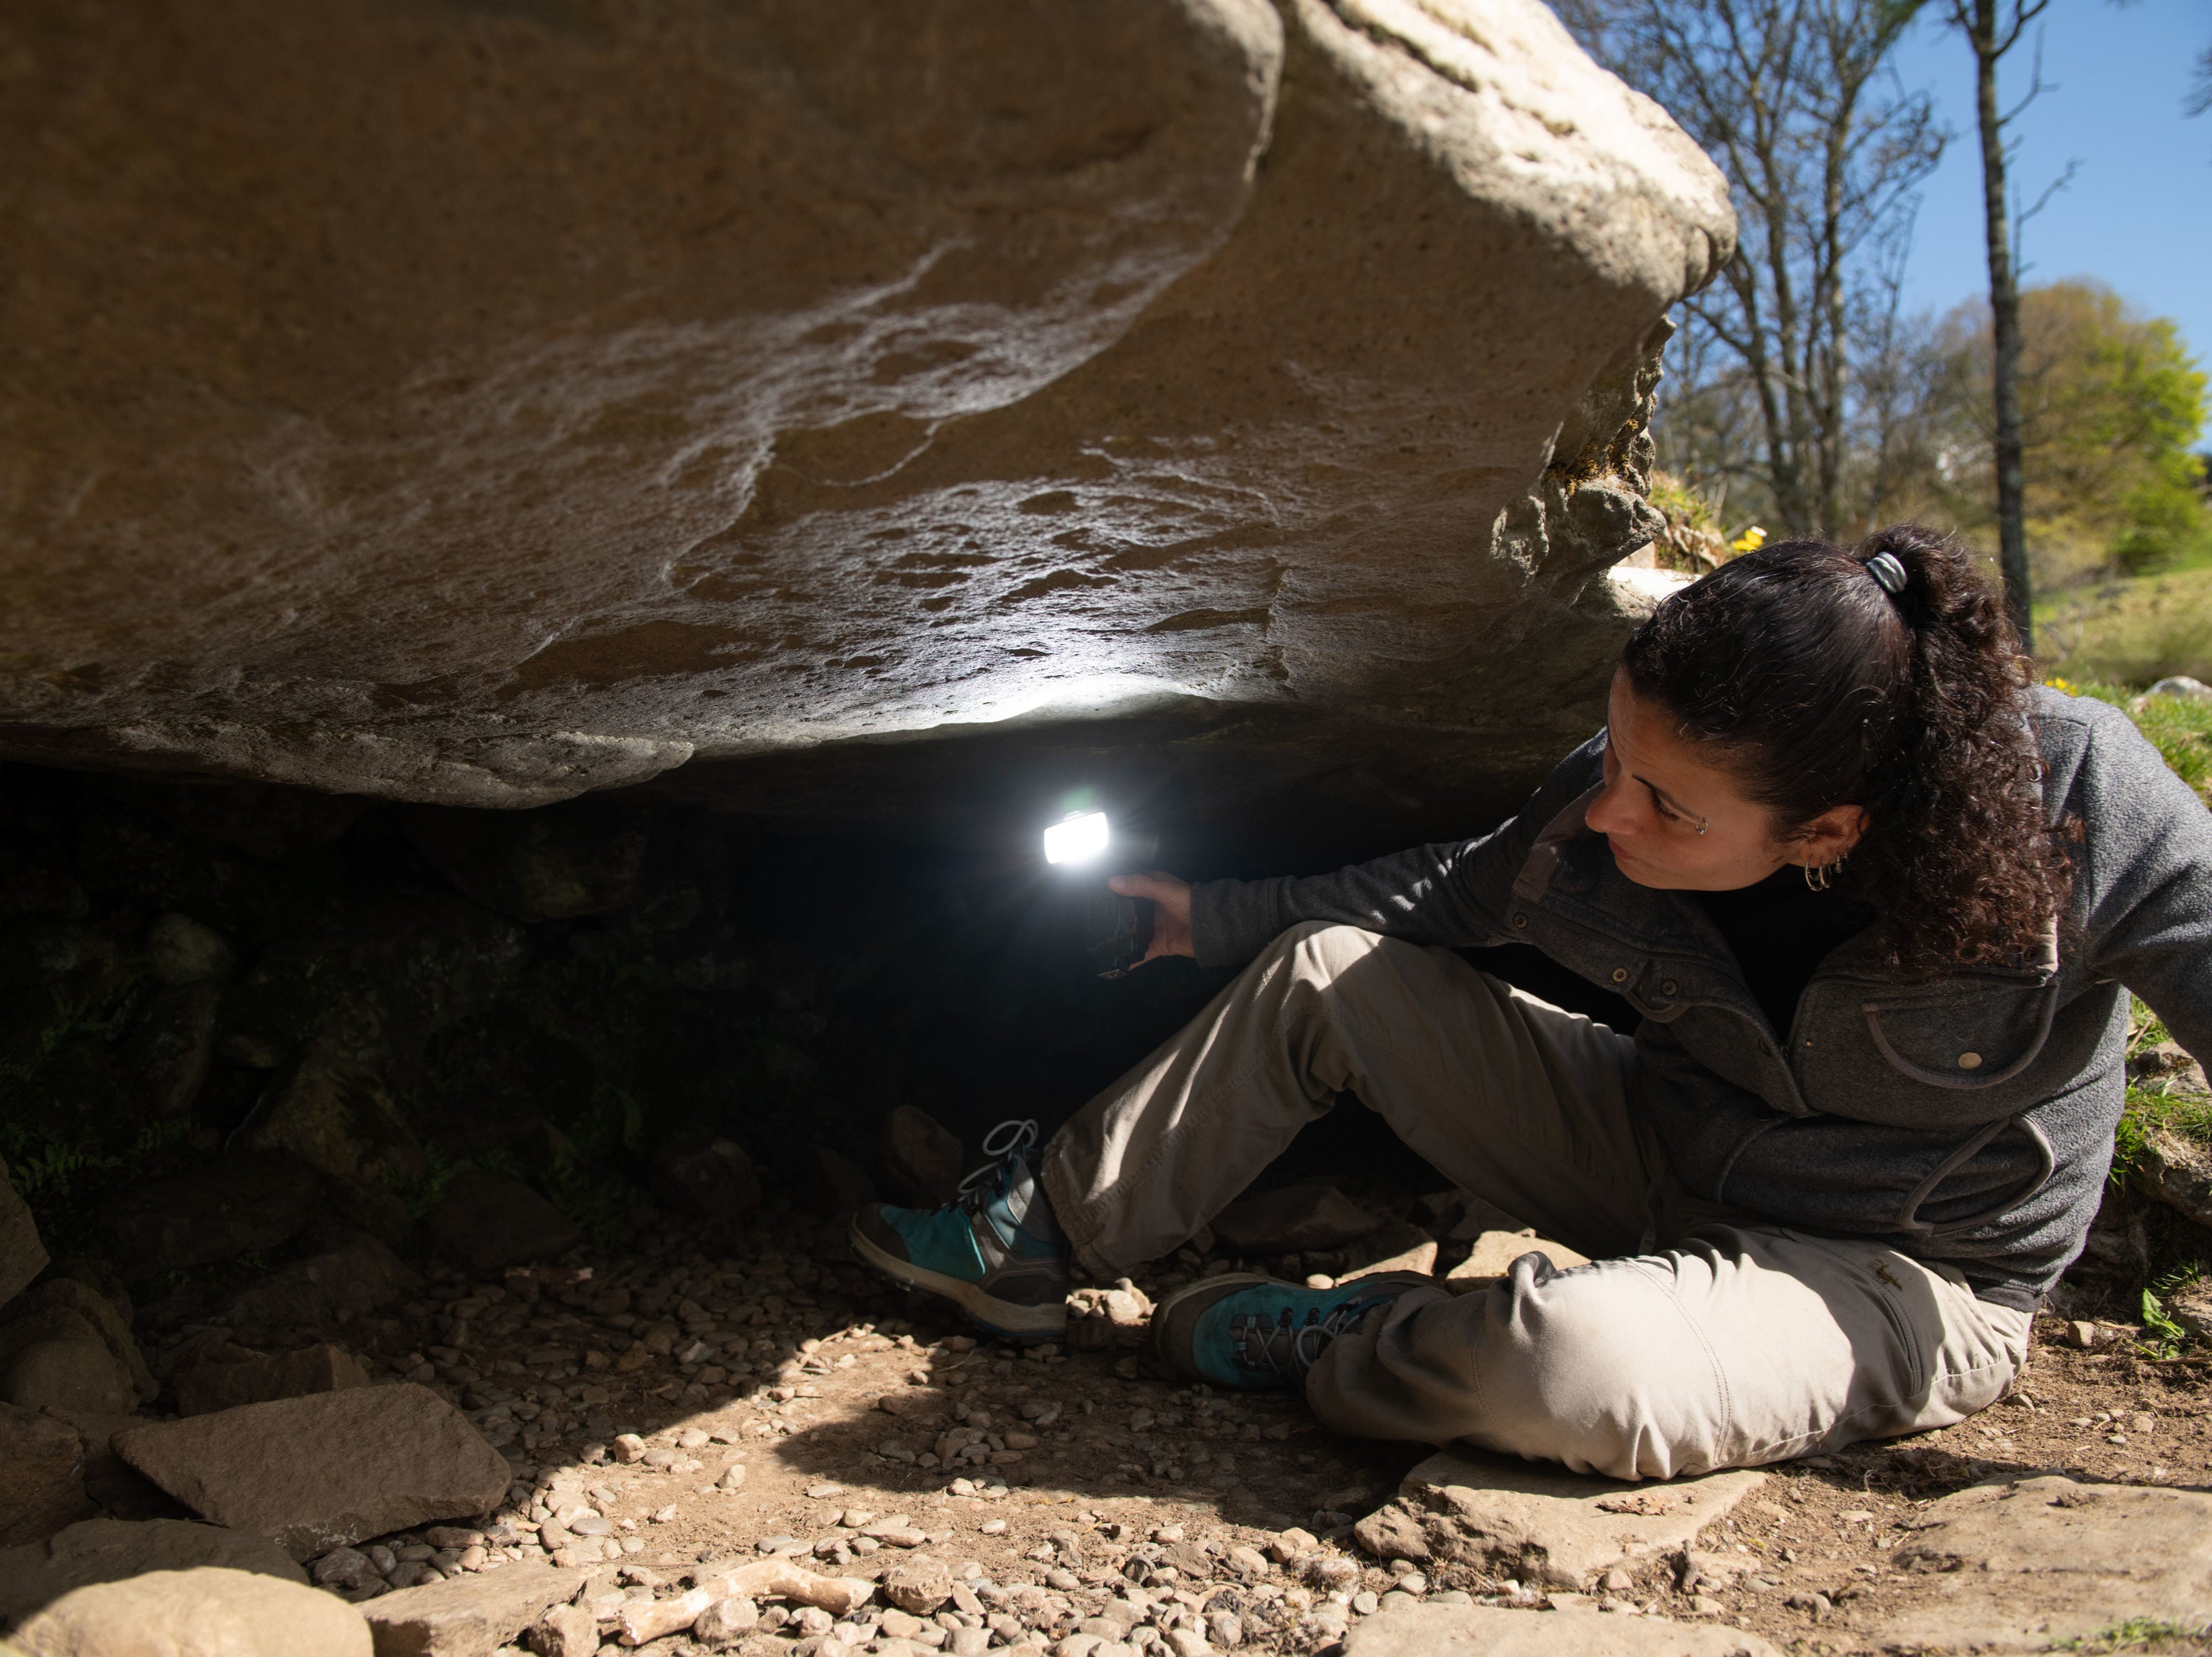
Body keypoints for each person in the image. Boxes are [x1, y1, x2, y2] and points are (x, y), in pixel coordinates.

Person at [850, 527, 2212, 1480]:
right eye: (1613, 751)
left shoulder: (2075, 801)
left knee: (1570, 1370)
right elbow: (1448, 892)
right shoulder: (1608, 796)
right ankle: (1042, 1236)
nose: (1605, 808)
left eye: (1666, 806)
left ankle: (1360, 1333)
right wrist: (1210, 915)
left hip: (1905, 1274)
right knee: (1329, 974)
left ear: (1823, 830)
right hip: (1661, 1148)